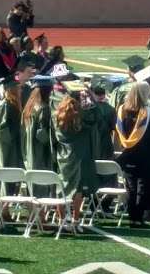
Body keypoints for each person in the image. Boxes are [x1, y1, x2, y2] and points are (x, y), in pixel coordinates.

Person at [114, 81, 150, 228]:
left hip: (126, 155)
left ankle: (132, 218)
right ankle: (139, 218)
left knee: (131, 188)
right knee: (142, 188)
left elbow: (117, 132)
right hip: (145, 156)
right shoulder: (146, 113)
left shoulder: (122, 110)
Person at [53, 81, 99, 229]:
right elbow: (97, 115)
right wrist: (91, 95)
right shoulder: (82, 116)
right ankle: (75, 220)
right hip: (79, 156)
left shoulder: (57, 116)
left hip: (62, 157)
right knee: (78, 189)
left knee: (62, 188)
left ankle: (61, 220)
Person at [23, 76, 55, 175]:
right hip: (40, 153)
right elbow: (41, 133)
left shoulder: (29, 106)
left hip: (29, 150)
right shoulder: (43, 108)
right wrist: (54, 142)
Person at [0, 77, 24, 169]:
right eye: (18, 88)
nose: (20, 90)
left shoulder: (9, 104)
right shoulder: (5, 105)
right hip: (7, 151)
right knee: (8, 179)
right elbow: (3, 130)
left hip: (8, 148)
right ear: (12, 90)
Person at [91, 80, 117, 162]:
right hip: (106, 144)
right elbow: (114, 127)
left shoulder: (88, 109)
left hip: (92, 144)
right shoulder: (111, 109)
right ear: (104, 94)